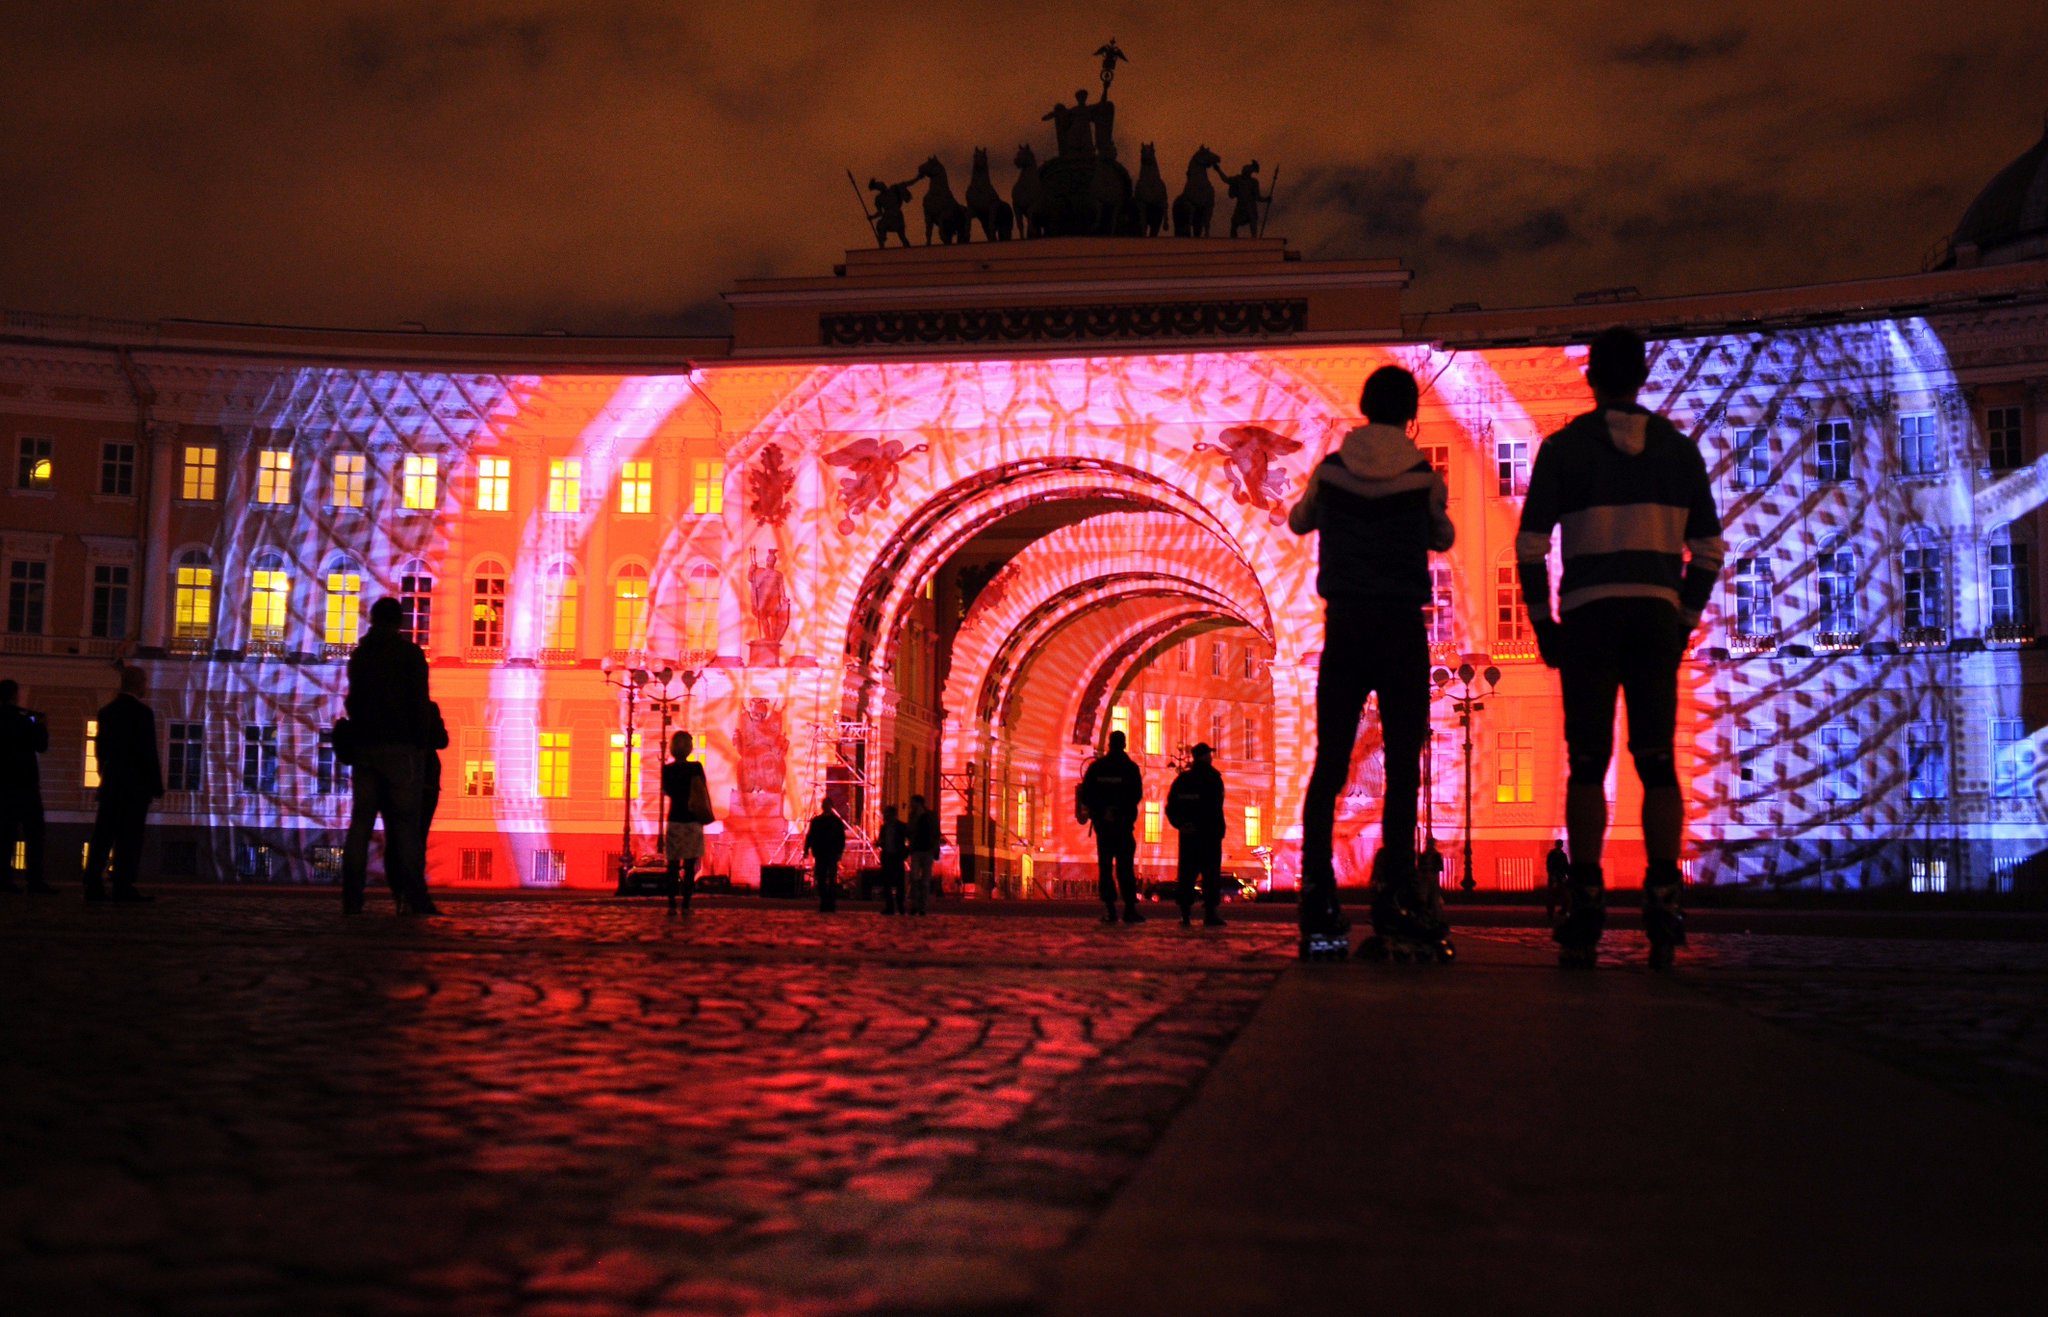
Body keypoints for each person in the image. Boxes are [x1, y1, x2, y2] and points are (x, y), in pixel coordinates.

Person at [1516, 326, 1723, 969]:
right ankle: (1663, 898)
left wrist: (1543, 622)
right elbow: (1710, 551)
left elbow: (1530, 545)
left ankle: (1585, 901)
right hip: (1655, 619)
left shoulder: (1563, 449)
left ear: (1591, 377)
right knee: (1656, 761)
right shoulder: (1679, 451)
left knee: (1586, 761)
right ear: (1642, 375)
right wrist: (1683, 614)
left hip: (1587, 617)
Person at [1288, 364, 1455, 961]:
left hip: (1348, 625)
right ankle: (1397, 893)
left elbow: (1298, 520)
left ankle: (1316, 891)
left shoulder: (1331, 471)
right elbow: (1443, 537)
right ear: (1409, 415)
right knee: (1404, 765)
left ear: (1363, 408)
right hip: (1401, 628)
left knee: (1329, 762)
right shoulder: (1422, 476)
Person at [341, 597, 436, 916]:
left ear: (372, 620)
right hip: (401, 748)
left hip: (366, 748)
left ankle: (352, 896)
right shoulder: (409, 655)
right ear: (399, 622)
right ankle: (415, 896)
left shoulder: (361, 655)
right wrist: (420, 745)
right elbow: (420, 703)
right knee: (405, 828)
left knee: (361, 825)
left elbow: (352, 702)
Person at [81, 665, 162, 903]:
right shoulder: (143, 713)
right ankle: (122, 885)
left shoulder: (107, 712)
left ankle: (92, 884)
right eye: (144, 682)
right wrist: (155, 784)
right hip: (136, 786)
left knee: (103, 835)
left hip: (112, 782)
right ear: (137, 684)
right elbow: (148, 751)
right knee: (129, 837)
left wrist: (103, 771)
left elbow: (101, 749)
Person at [1079, 729, 1144, 924]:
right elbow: (1136, 795)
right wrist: (1119, 812)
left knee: (1105, 868)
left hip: (1104, 827)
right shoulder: (1130, 769)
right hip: (1123, 826)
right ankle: (1130, 910)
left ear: (1109, 744)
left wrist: (1102, 812)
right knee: (1126, 868)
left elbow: (1087, 794)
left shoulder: (1097, 768)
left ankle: (1110, 910)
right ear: (1124, 744)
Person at [0, 679, 54, 894]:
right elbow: (41, 746)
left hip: (3, 787)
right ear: (15, 695)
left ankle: (4, 880)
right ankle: (35, 880)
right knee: (34, 834)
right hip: (26, 784)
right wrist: (42, 725)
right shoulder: (26, 718)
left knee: (4, 835)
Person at [1165, 743, 1226, 927]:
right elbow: (1216, 807)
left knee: (1186, 875)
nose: (1211, 757)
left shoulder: (1183, 780)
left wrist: (1181, 825)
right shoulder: (1214, 778)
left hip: (1189, 836)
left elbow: (1171, 807)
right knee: (1211, 876)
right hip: (1209, 836)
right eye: (1208, 754)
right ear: (1204, 756)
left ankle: (1185, 915)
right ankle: (1210, 914)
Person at [661, 730, 711, 913]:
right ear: (689, 748)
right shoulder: (696, 768)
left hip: (674, 819)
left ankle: (672, 902)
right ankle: (686, 903)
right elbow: (702, 789)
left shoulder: (666, 770)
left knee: (672, 865)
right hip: (692, 820)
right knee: (690, 865)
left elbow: (666, 792)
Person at [803, 800, 846, 913]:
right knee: (821, 878)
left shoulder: (835, 821)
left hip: (830, 853)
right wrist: (806, 849)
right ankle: (824, 901)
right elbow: (811, 835)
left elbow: (841, 838)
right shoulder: (818, 821)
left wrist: (839, 852)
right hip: (821, 853)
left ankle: (830, 903)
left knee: (831, 878)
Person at [906, 793, 940, 915]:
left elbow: (936, 833)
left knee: (925, 881)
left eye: (913, 803)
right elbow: (909, 831)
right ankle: (915, 905)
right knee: (914, 878)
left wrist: (935, 849)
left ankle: (923, 907)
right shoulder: (912, 816)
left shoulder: (930, 816)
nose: (911, 805)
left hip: (927, 850)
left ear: (918, 803)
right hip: (916, 850)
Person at [876, 803, 908, 915]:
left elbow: (908, 839)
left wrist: (905, 852)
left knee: (899, 882)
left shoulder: (902, 827)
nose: (886, 817)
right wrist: (880, 843)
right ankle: (890, 906)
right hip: (887, 856)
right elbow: (881, 840)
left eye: (887, 814)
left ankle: (900, 905)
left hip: (897, 856)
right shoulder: (884, 827)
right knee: (887, 882)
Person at [1544, 838, 1570, 924]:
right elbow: (1549, 867)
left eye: (1560, 844)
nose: (1560, 846)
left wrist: (1567, 876)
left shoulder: (1563, 855)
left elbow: (1566, 867)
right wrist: (1553, 876)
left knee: (1564, 896)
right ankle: (1551, 913)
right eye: (1559, 844)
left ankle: (1561, 911)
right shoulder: (1552, 855)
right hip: (1554, 878)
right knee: (1552, 896)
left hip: (1560, 878)